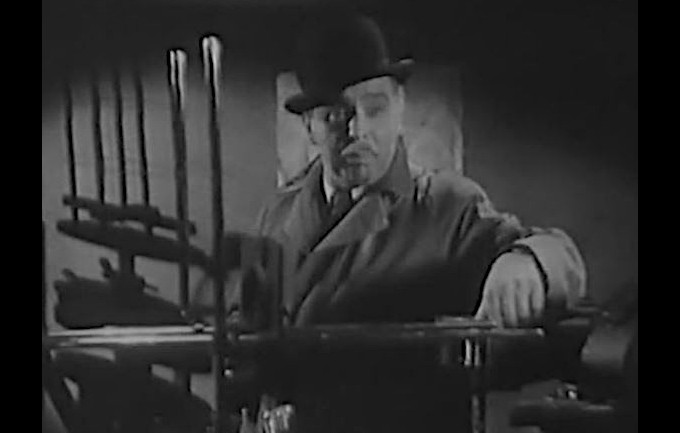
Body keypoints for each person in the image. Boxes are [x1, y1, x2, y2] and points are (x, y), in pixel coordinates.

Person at [234, 13, 587, 433]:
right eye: (334, 116)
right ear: (310, 127)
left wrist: (526, 262)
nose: (357, 130)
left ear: (400, 109)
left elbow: (558, 256)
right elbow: (248, 344)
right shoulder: (277, 214)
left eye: (375, 109)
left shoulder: (447, 206)